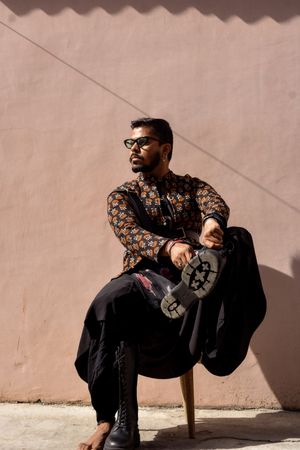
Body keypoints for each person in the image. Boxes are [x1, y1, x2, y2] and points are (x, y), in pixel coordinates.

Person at [75, 118, 266, 450]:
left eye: (142, 142)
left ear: (165, 149)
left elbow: (214, 203)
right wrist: (168, 247)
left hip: (194, 280)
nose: (133, 149)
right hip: (143, 279)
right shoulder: (123, 195)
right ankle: (115, 422)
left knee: (237, 238)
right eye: (130, 143)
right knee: (110, 301)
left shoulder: (191, 187)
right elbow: (129, 232)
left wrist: (210, 224)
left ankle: (196, 287)